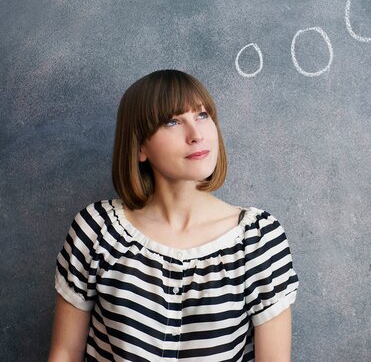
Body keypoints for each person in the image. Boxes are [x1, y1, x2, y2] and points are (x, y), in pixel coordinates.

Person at [48, 69, 299, 362]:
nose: (196, 135)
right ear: (140, 146)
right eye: (172, 121)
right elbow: (65, 352)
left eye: (202, 116)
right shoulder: (96, 231)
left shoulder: (258, 239)